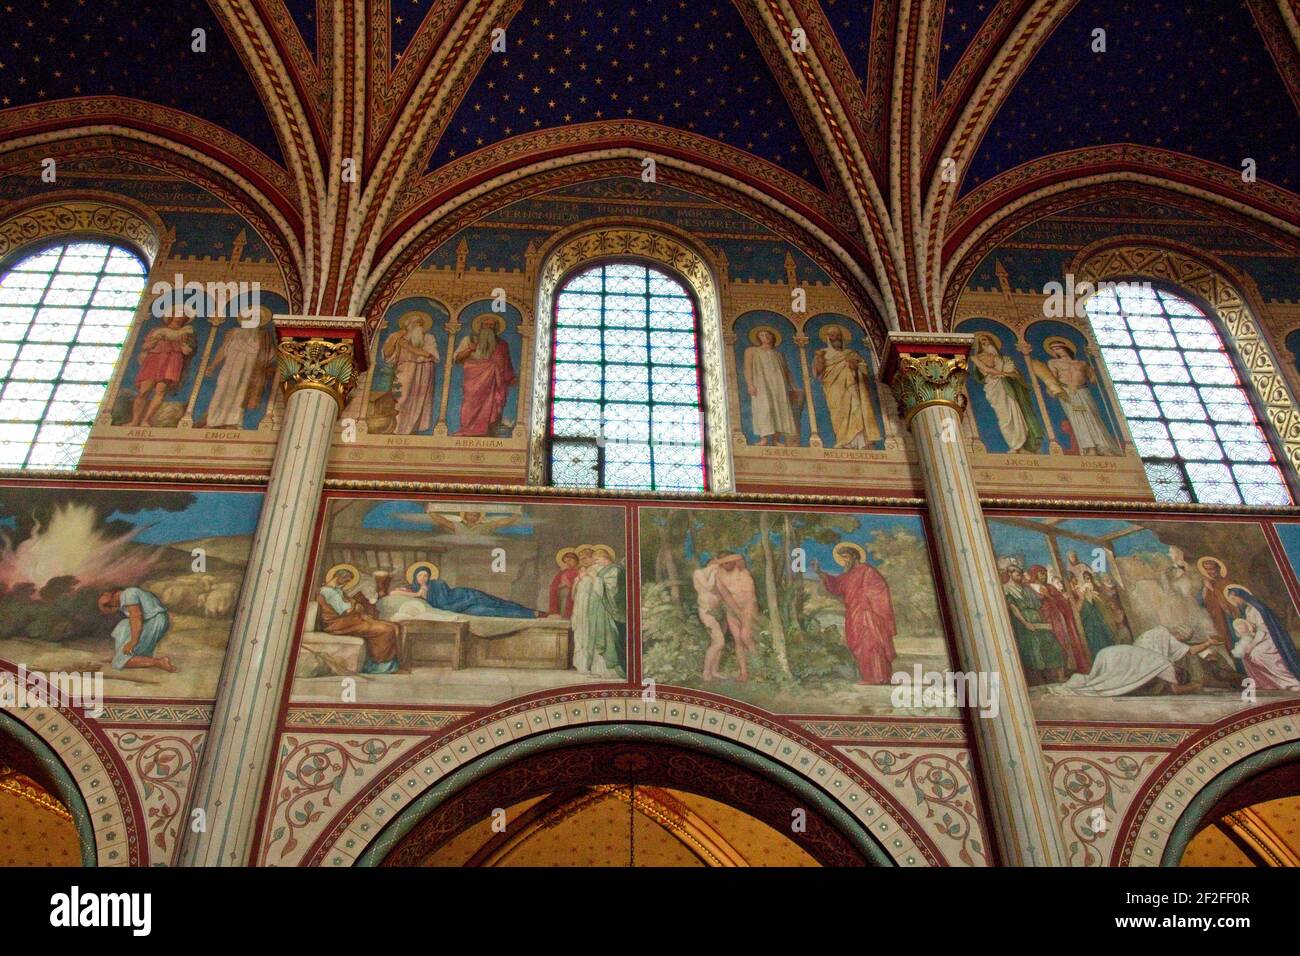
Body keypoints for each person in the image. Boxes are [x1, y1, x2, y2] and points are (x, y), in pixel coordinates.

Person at [1047, 625, 1216, 697]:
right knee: (1105, 683)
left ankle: (1083, 681)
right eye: (1184, 636)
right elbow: (1175, 689)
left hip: (1113, 653)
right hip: (1121, 655)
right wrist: (1194, 685)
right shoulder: (1165, 663)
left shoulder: (1153, 635)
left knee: (1100, 678)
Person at [814, 542, 897, 685]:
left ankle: (879, 677)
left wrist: (865, 599)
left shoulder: (867, 571)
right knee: (859, 645)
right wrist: (819, 572)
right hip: (853, 614)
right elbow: (836, 585)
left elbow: (880, 588)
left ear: (854, 556)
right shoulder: (848, 575)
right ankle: (870, 676)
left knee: (871, 644)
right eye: (842, 558)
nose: (844, 561)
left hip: (868, 614)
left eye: (846, 557)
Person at [1040, 337, 1120, 456]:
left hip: (1083, 391)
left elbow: (1093, 380)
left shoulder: (1083, 363)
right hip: (1067, 392)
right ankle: (1089, 448)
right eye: (1054, 349)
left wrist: (1094, 369)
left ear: (1065, 348)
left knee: (1092, 416)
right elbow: (1052, 378)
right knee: (1078, 419)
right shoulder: (1053, 362)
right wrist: (1052, 390)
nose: (1056, 351)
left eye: (1058, 348)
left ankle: (1103, 447)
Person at [317, 565, 401, 674]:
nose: (346, 584)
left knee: (393, 626)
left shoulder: (335, 590)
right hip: (338, 624)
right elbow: (345, 610)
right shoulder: (329, 592)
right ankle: (378, 667)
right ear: (339, 577)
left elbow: (349, 607)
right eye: (346, 581)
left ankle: (388, 664)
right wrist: (354, 604)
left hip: (348, 620)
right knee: (385, 630)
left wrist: (355, 605)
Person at [969, 331, 1043, 453]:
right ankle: (1014, 444)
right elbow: (987, 370)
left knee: (1015, 413)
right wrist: (1003, 373)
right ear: (979, 345)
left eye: (987, 340)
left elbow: (1014, 373)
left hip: (1008, 387)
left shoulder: (1004, 359)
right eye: (982, 341)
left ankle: (1020, 445)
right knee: (1004, 417)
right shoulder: (976, 357)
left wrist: (1006, 373)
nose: (986, 342)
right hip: (994, 388)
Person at [204, 305, 276, 429]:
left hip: (249, 370)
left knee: (241, 394)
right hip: (231, 367)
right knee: (222, 390)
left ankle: (233, 421)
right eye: (251, 316)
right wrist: (213, 365)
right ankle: (213, 421)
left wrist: (267, 367)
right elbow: (223, 350)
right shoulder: (234, 332)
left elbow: (271, 355)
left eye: (257, 317)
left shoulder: (264, 337)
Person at [812, 324, 880, 449]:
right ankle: (844, 440)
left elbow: (865, 371)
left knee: (857, 409)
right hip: (834, 390)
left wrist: (855, 367)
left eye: (838, 335)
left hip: (853, 388)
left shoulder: (851, 353)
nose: (836, 338)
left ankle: (861, 441)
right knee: (839, 413)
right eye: (832, 335)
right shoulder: (823, 353)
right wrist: (819, 358)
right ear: (828, 338)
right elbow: (818, 373)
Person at [400, 561, 541, 619]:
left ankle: (532, 611)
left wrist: (425, 591)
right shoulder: (411, 588)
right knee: (490, 611)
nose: (423, 577)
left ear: (430, 576)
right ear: (414, 576)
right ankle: (531, 614)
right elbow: (393, 593)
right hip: (462, 608)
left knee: (496, 602)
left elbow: (445, 601)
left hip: (466, 596)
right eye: (420, 575)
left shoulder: (437, 583)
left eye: (426, 575)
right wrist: (417, 593)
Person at [1225, 585, 1300, 691]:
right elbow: (1252, 628)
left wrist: (1252, 645)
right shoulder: (1248, 610)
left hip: (1271, 638)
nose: (1234, 602)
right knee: (1244, 655)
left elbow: (1263, 630)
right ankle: (1265, 683)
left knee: (1257, 654)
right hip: (1259, 638)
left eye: (1234, 598)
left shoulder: (1257, 608)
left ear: (1241, 596)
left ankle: (1291, 681)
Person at [130, 308, 197, 426]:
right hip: (155, 360)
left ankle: (146, 420)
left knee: (160, 391)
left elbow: (187, 352)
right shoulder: (158, 330)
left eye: (183, 315)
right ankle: (135, 420)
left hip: (172, 361)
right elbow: (145, 347)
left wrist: (182, 344)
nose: (179, 317)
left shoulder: (186, 334)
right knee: (144, 391)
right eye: (177, 314)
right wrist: (156, 340)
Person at [454, 314, 515, 436]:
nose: (488, 327)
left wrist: (510, 378)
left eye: (491, 325)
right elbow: (456, 358)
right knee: (470, 403)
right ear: (480, 326)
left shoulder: (502, 345)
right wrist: (469, 349)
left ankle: (486, 431)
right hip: (473, 381)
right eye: (486, 325)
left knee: (492, 405)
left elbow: (506, 363)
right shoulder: (470, 340)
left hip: (494, 381)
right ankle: (467, 429)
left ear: (496, 328)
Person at [381, 311, 441, 435]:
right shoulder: (399, 337)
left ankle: (410, 429)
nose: (419, 325)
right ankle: (398, 428)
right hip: (405, 369)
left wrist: (409, 347)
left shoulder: (428, 337)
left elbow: (429, 354)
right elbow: (387, 354)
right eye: (416, 323)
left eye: (421, 323)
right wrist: (395, 337)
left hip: (424, 371)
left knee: (418, 400)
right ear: (408, 325)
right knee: (401, 398)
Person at [1003, 566, 1065, 684]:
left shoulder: (1025, 589)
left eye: (1021, 574)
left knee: (1052, 644)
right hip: (1023, 622)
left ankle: (1059, 676)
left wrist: (1043, 622)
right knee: (1034, 649)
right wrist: (1026, 623)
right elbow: (1013, 608)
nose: (1020, 577)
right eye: (1017, 574)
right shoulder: (1006, 589)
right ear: (1010, 574)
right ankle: (1040, 680)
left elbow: (1038, 606)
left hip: (1037, 620)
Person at [743, 325, 799, 446]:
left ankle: (776, 439)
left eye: (768, 334)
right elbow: (747, 368)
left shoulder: (778, 354)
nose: (765, 337)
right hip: (761, 383)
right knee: (764, 408)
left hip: (779, 384)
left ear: (773, 337)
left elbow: (786, 371)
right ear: (758, 338)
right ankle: (764, 438)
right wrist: (750, 385)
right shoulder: (752, 351)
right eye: (762, 335)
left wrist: (793, 387)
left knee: (779, 408)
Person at [1028, 565, 1090, 674]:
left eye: (1045, 573)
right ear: (1035, 574)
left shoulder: (1050, 587)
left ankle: (1072, 667)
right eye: (1042, 573)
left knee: (1066, 639)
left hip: (1060, 618)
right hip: (1047, 619)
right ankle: (1060, 671)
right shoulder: (1030, 588)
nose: (1045, 576)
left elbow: (1061, 601)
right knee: (1055, 643)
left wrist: (1056, 598)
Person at [98, 587, 177, 672]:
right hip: (152, 620)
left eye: (111, 605)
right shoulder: (126, 597)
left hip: (154, 621)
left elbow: (136, 618)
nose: (114, 607)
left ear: (113, 596)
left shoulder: (129, 594)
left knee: (117, 663)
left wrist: (133, 641)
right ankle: (122, 655)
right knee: (123, 625)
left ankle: (159, 662)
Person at [712, 552, 760, 678]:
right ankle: (744, 672)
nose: (726, 564)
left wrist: (744, 614)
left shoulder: (741, 570)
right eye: (724, 562)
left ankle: (759, 670)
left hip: (749, 607)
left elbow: (750, 596)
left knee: (746, 638)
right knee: (738, 640)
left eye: (728, 561)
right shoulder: (719, 575)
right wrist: (736, 612)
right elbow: (726, 595)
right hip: (732, 610)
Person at [581, 545, 626, 678]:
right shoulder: (604, 569)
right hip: (596, 607)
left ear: (605, 558)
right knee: (595, 633)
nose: (596, 563)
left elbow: (612, 590)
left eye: (597, 560)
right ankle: (597, 669)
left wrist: (596, 578)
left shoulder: (615, 569)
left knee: (607, 635)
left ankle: (610, 671)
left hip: (605, 608)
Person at [1073, 571, 1117, 659]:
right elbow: (1078, 611)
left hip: (1100, 624)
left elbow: (1103, 607)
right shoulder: (1079, 593)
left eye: (1089, 578)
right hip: (1090, 628)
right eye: (1086, 578)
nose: (1089, 581)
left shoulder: (1095, 593)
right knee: (1097, 649)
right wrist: (1083, 596)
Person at [1197, 556, 1236, 655]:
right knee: (1228, 642)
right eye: (1206, 569)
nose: (1209, 572)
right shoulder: (1207, 585)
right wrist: (1206, 589)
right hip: (1219, 619)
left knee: (1236, 639)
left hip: (1231, 618)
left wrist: (1212, 589)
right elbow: (1200, 602)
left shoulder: (1226, 582)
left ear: (1218, 568)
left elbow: (1231, 603)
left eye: (1211, 569)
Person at [547, 547, 581, 618]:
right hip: (560, 596)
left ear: (576, 561)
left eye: (569, 560)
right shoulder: (561, 573)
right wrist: (560, 586)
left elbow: (580, 587)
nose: (567, 563)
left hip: (572, 597)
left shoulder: (579, 572)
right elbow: (553, 586)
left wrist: (568, 583)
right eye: (565, 562)